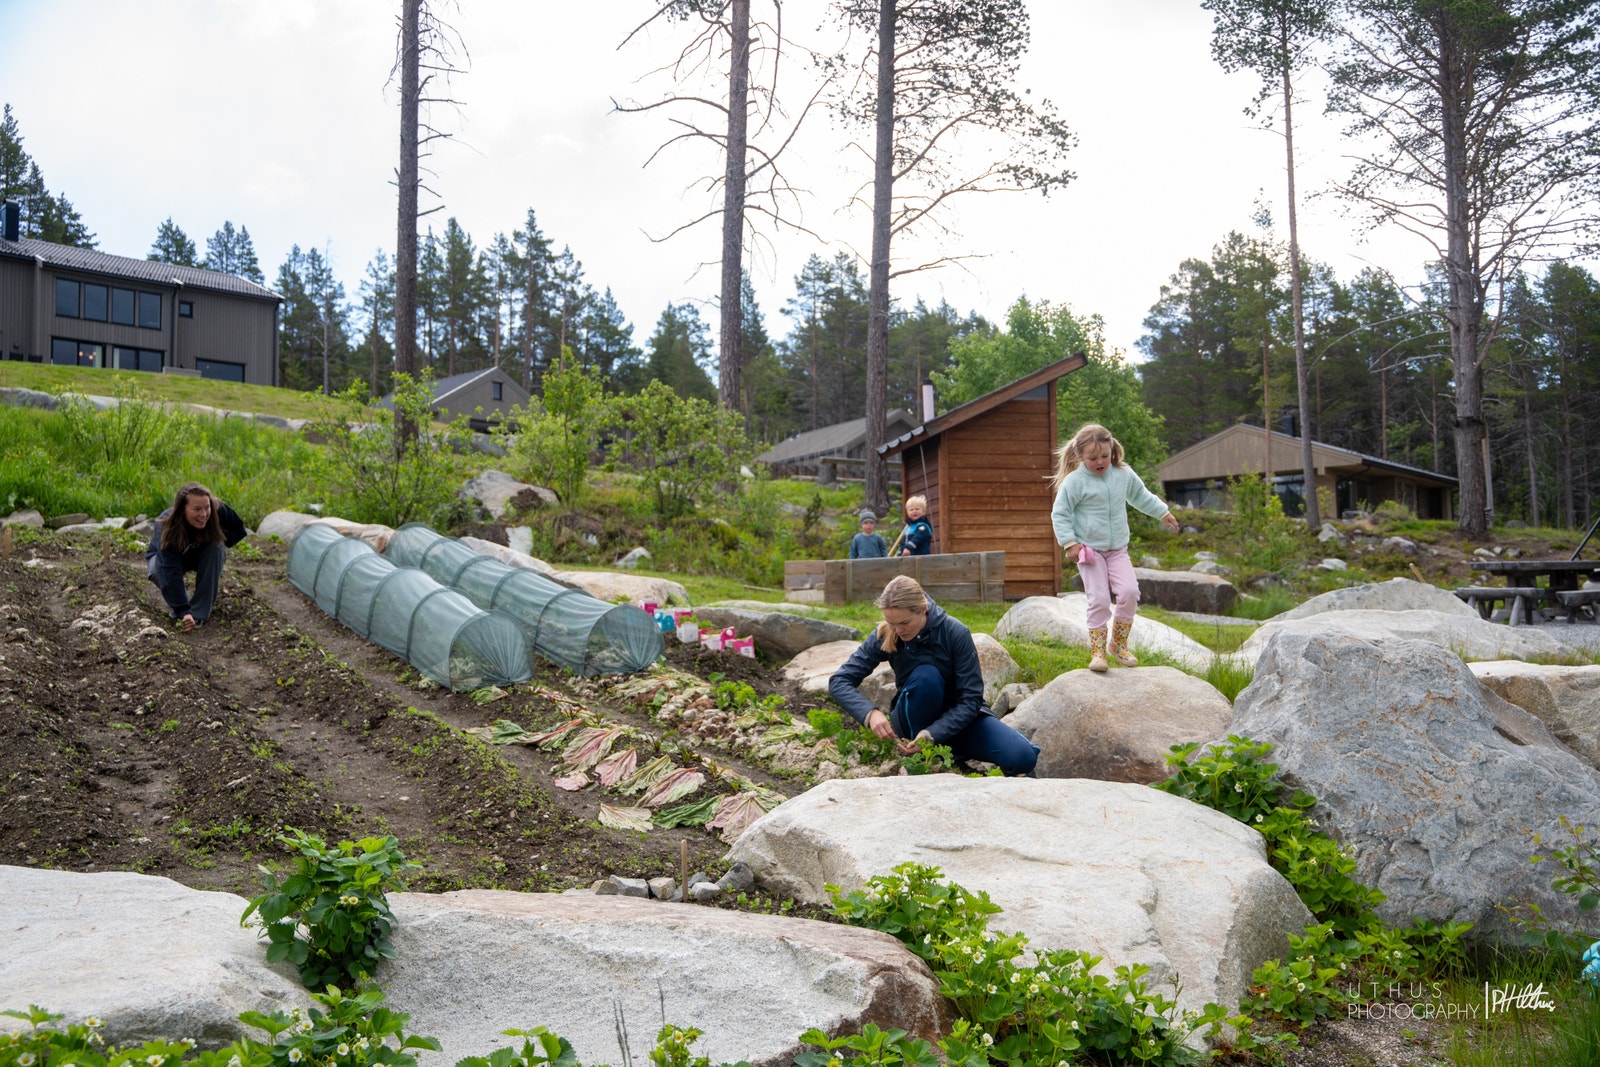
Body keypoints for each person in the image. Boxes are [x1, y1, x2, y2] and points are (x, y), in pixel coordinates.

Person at [829, 575, 1039, 776]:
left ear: (922, 609)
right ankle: (923, 757)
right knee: (926, 677)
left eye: (904, 623)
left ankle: (950, 753)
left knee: (1023, 756)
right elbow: (839, 681)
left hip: (960, 722)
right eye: (890, 622)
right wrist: (870, 713)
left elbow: (971, 699)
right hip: (914, 722)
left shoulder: (955, 632)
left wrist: (933, 734)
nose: (897, 630)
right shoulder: (886, 632)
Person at [1050, 423, 1180, 672]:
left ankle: (1118, 644)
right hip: (1090, 551)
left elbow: (1141, 496)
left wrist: (1163, 512)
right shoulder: (1075, 482)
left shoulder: (1123, 474)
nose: (1100, 461)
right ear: (1080, 456)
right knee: (1099, 599)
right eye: (1093, 458)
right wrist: (1069, 543)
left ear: (1112, 451)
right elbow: (1061, 513)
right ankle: (1098, 652)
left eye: (1105, 456)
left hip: (1118, 548)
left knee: (1130, 593)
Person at [146, 482, 247, 632]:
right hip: (166, 559)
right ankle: (184, 607)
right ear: (182, 509)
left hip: (200, 555)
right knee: (156, 571)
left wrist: (208, 535)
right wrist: (183, 610)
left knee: (217, 544)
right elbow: (170, 569)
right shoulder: (167, 525)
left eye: (207, 507)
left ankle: (199, 613)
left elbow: (238, 530)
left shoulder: (218, 510)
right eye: (197, 509)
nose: (204, 514)